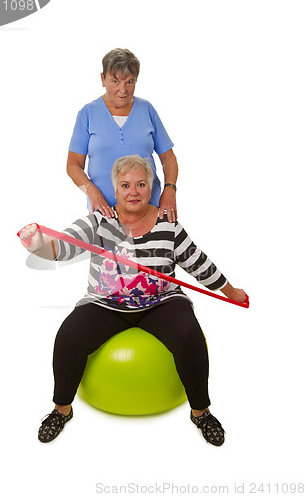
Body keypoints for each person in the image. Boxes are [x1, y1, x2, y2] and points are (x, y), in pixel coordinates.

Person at [19, 155, 247, 446]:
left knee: (190, 335)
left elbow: (198, 263)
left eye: (141, 184)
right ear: (115, 191)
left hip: (162, 302)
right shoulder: (99, 222)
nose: (134, 191)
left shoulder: (169, 224)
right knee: (68, 337)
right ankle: (61, 409)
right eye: (126, 185)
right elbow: (63, 246)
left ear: (151, 188)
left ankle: (201, 412)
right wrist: (39, 245)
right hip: (105, 303)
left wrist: (231, 292)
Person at [66, 48, 178, 222]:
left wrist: (170, 189)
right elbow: (73, 165)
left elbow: (168, 158)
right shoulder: (87, 114)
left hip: (149, 210)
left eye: (129, 82)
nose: (122, 90)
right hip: (104, 213)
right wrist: (92, 192)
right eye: (115, 81)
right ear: (103, 79)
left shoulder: (147, 110)